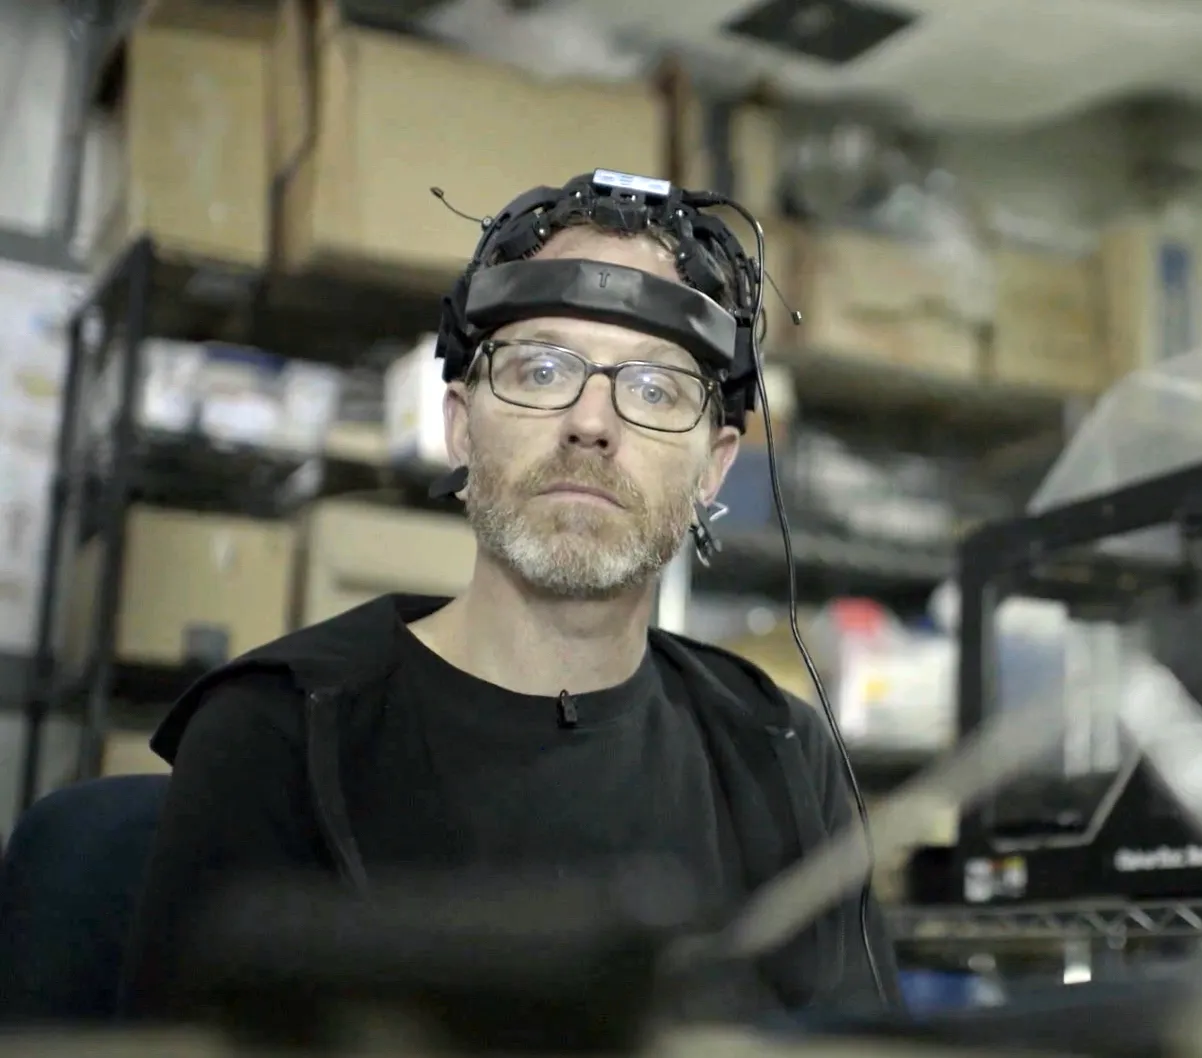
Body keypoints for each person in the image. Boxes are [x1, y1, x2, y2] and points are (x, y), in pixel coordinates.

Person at [118, 173, 898, 1022]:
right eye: (542, 369)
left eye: (653, 389)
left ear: (713, 469)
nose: (592, 422)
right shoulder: (278, 728)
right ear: (461, 424)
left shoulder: (780, 750)